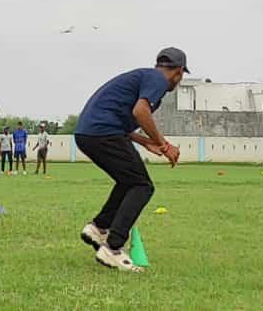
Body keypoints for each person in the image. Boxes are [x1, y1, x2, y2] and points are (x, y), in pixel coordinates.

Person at [76, 47, 185, 272]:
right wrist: (164, 145)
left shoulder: (143, 77)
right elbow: (140, 111)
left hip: (87, 133)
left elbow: (126, 126)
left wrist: (147, 142)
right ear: (179, 72)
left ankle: (98, 227)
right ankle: (112, 248)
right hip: (103, 132)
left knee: (128, 181)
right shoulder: (158, 80)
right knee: (142, 185)